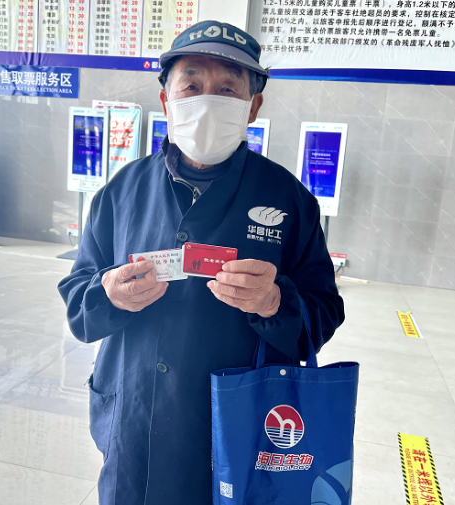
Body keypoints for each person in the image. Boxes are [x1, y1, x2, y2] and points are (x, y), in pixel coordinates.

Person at [58, 20, 345, 505]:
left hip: (237, 435)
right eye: (191, 86)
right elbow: (77, 299)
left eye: (228, 89)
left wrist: (275, 302)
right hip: (135, 431)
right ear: (166, 99)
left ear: (254, 105)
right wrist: (107, 294)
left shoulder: (288, 200)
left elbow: (324, 312)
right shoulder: (122, 192)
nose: (208, 101)